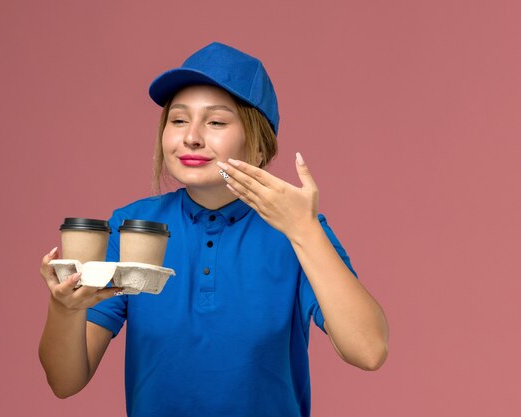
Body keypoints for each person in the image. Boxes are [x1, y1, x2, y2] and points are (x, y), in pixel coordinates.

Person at [39, 42, 389, 417]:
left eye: (216, 122)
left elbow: (368, 351)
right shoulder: (132, 227)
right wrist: (64, 308)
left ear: (258, 145)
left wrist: (303, 230)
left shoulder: (298, 231)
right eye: (178, 120)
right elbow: (65, 382)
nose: (191, 136)